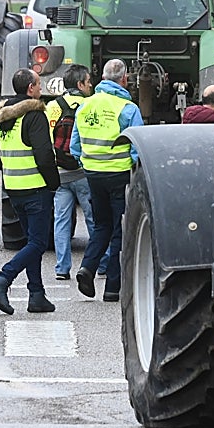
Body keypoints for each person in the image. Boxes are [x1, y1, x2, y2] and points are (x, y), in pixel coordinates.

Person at [0, 69, 60, 315]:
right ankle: (2, 279)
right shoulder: (34, 114)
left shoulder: (2, 117)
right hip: (36, 187)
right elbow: (44, 155)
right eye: (38, 85)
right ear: (30, 88)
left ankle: (36, 295)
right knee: (38, 243)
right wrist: (53, 182)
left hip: (14, 187)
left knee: (31, 242)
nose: (40, 89)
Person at [70, 58, 143, 302]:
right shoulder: (128, 108)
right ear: (124, 79)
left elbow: (75, 146)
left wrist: (88, 164)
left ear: (101, 78)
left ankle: (87, 268)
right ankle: (113, 287)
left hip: (93, 175)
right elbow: (137, 147)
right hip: (120, 175)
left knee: (101, 225)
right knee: (119, 231)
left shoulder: (85, 106)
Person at [46, 64, 95, 281]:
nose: (91, 85)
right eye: (88, 81)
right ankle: (98, 265)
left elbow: (47, 141)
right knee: (94, 221)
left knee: (61, 221)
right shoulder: (90, 105)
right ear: (80, 84)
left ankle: (62, 268)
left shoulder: (53, 107)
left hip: (60, 174)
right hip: (83, 172)